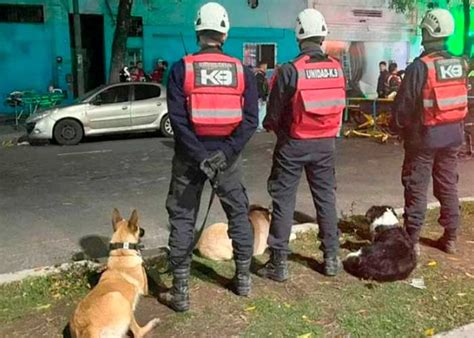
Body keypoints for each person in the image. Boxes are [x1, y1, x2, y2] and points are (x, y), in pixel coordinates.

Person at [160, 2, 258, 312]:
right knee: (238, 213)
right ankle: (243, 281)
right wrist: (225, 153)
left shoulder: (182, 68)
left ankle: (181, 292)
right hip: (226, 158)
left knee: (183, 217)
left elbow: (177, 119)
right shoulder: (242, 72)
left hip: (191, 157)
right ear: (225, 34)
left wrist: (201, 155)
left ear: (198, 31)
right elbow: (250, 120)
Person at [258, 8, 345, 281]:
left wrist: (276, 129)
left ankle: (278, 264)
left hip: (294, 145)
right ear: (322, 36)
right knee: (326, 200)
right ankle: (331, 258)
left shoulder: (290, 70)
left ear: (299, 36)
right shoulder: (337, 68)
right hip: (325, 145)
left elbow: (272, 115)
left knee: (283, 201)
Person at [391, 9, 468, 256]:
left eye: (423, 30)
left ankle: (411, 240)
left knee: (416, 186)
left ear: (429, 32)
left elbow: (403, 106)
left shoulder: (420, 67)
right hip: (453, 136)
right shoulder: (460, 64)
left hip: (424, 139)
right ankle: (451, 237)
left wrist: (397, 129)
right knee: (447, 186)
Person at [255, 62, 269, 130]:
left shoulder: (259, 76)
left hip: (259, 96)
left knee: (260, 111)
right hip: (260, 97)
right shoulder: (260, 76)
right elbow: (260, 87)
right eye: (265, 68)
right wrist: (263, 97)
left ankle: (259, 125)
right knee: (262, 111)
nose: (266, 69)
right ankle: (260, 125)